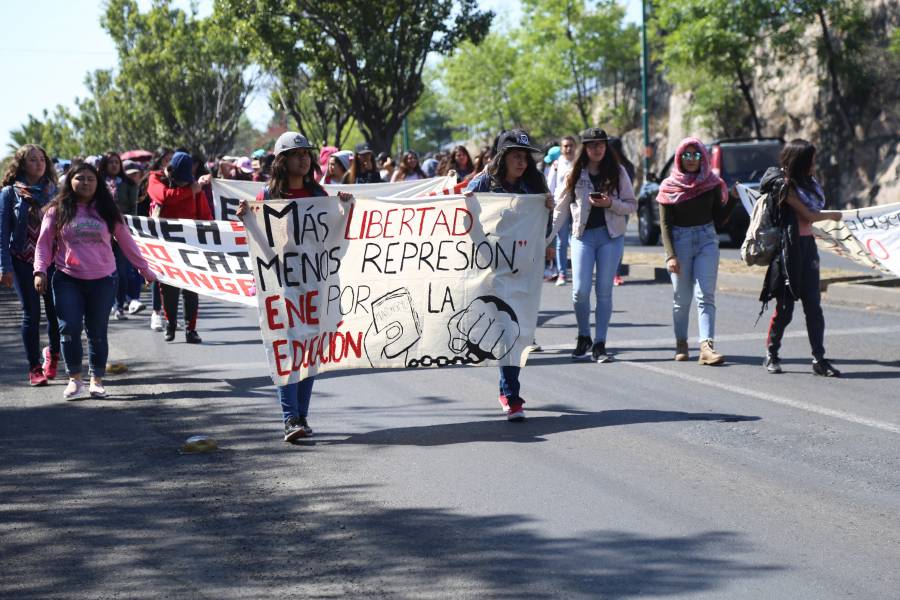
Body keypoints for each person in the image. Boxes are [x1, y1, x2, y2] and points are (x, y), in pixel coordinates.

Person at [236, 131, 351, 442]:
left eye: (307, 154)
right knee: (286, 348)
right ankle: (290, 418)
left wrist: (344, 210)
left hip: (314, 283)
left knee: (310, 350)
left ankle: (301, 415)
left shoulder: (319, 195)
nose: (304, 159)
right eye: (297, 154)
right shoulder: (266, 198)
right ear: (282, 161)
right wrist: (247, 218)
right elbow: (261, 241)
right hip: (283, 285)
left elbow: (336, 237)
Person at [33, 163, 156, 399]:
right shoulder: (56, 210)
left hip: (104, 279)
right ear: (70, 181)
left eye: (91, 178)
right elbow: (44, 243)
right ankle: (74, 378)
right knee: (68, 328)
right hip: (67, 278)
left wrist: (144, 269)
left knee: (97, 331)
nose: (86, 182)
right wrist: (40, 271)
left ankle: (96, 379)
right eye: (80, 178)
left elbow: (127, 242)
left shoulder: (108, 211)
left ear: (98, 183)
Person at [466, 129, 552, 422]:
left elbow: (542, 223)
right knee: (506, 327)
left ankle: (510, 391)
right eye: (516, 156)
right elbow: (463, 215)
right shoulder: (483, 182)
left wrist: (547, 210)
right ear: (503, 157)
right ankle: (511, 394)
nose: (522, 162)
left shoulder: (534, 184)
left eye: (525, 157)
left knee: (516, 329)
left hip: (522, 267)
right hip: (491, 266)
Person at [552, 128, 636, 363]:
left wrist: (610, 203)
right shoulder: (574, 173)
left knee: (604, 292)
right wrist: (547, 236)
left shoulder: (617, 172)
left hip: (611, 237)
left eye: (601, 144)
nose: (597, 149)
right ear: (584, 149)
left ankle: (600, 343)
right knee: (579, 291)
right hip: (582, 237)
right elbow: (560, 208)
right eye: (592, 145)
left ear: (606, 147)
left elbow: (631, 205)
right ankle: (584, 336)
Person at [760, 139, 842, 377]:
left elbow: (812, 213)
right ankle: (772, 354)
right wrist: (835, 215)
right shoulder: (783, 186)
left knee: (814, 307)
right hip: (789, 251)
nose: (814, 164)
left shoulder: (810, 184)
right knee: (784, 309)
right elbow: (808, 215)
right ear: (800, 161)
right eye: (811, 160)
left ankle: (819, 359)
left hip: (808, 248)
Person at [658, 137, 731, 365]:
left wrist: (734, 201)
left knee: (705, 295)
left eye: (696, 155)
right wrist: (671, 255)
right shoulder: (669, 186)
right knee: (682, 298)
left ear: (703, 158)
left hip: (707, 239)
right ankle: (681, 342)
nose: (691, 160)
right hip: (679, 242)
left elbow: (719, 219)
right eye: (687, 155)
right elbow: (665, 224)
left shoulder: (711, 183)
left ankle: (706, 347)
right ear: (680, 158)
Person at [0, 144, 61, 386]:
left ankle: (53, 357)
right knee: (31, 314)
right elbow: (3, 234)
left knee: (56, 312)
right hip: (22, 260)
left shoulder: (56, 192)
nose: (39, 163)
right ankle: (34, 367)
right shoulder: (9, 194)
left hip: (53, 260)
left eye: (42, 160)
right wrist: (4, 267)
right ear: (22, 164)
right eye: (33, 160)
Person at [147, 152, 213, 343]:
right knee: (168, 287)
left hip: (190, 245)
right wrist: (191, 190)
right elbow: (163, 198)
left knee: (191, 287)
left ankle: (191, 329)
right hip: (165, 245)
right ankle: (171, 324)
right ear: (172, 173)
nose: (185, 184)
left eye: (187, 181)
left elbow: (205, 216)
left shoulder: (195, 189)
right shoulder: (156, 178)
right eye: (181, 181)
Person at [98, 151, 141, 320]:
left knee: (121, 270)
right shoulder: (98, 182)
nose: (114, 165)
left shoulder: (129, 184)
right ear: (104, 165)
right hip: (100, 232)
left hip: (122, 230)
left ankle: (120, 305)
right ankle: (105, 303)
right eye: (111, 162)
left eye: (117, 162)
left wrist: (126, 228)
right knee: (104, 269)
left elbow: (133, 209)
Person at [141, 147, 172, 331]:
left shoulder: (180, 179)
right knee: (157, 273)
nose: (170, 163)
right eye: (166, 159)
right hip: (157, 231)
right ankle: (156, 312)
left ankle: (172, 316)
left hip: (176, 232)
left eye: (172, 160)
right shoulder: (155, 177)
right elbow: (161, 197)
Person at [547, 135, 578, 286]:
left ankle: (579, 272)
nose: (568, 148)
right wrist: (550, 204)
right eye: (565, 146)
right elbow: (550, 186)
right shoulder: (557, 164)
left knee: (578, 239)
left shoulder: (581, 163)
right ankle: (562, 274)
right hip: (561, 205)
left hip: (578, 206)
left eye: (571, 145)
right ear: (561, 148)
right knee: (562, 241)